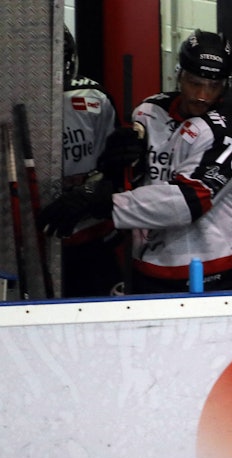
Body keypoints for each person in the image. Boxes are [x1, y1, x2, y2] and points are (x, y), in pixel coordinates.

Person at [40, 30, 232, 294]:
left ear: (226, 85)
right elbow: (137, 180)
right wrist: (114, 168)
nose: (202, 95)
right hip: (148, 266)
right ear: (179, 74)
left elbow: (190, 201)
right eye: (194, 82)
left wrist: (104, 204)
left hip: (214, 269)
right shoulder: (150, 111)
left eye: (213, 86)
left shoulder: (230, 129)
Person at [58, 25, 123, 297]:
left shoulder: (93, 99)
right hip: (28, 241)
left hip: (91, 238)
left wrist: (96, 194)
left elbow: (116, 167)